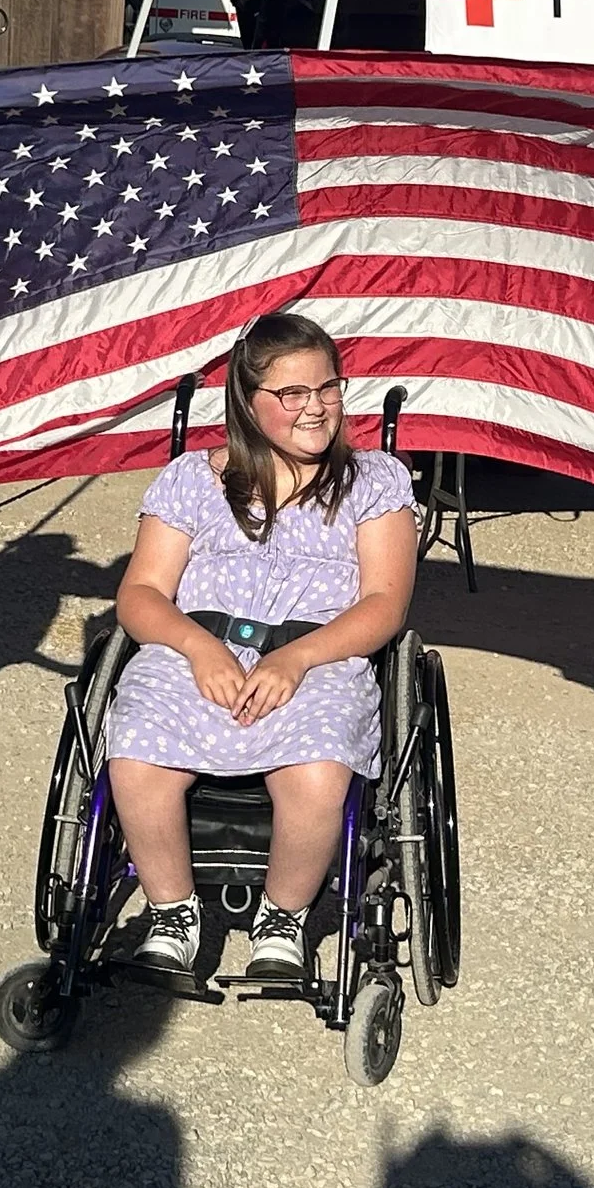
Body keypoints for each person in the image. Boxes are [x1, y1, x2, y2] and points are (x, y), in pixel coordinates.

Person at [107, 315, 417, 979]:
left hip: (319, 653)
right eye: (292, 394)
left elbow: (385, 602)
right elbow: (140, 594)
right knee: (135, 751)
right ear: (249, 405)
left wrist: (297, 657)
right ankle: (173, 913)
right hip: (199, 645)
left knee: (315, 772)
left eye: (327, 387)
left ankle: (283, 917)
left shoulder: (374, 482)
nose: (316, 407)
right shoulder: (195, 479)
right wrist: (196, 646)